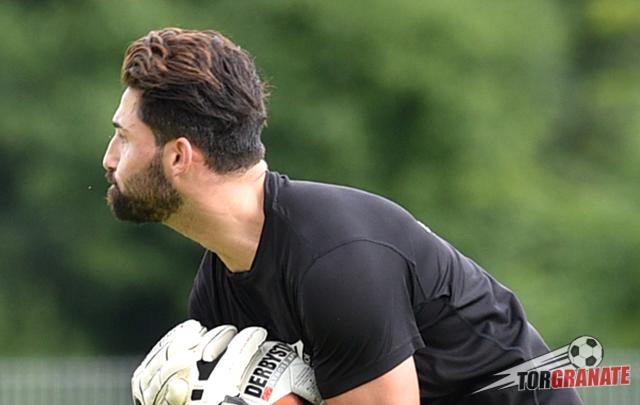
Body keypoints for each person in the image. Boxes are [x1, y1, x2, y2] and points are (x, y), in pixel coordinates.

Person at [103, 27, 583, 404]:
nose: (109, 158)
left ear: (179, 157)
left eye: (124, 137)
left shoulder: (334, 261)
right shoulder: (219, 288)